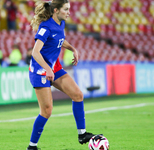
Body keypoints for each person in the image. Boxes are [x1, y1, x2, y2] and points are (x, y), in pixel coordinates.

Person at [27, 1, 98, 150]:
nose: (69, 12)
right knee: (46, 111)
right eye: (66, 9)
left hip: (54, 67)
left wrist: (73, 49)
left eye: (69, 9)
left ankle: (82, 134)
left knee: (78, 95)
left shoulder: (61, 24)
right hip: (40, 70)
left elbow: (59, 39)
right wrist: (48, 69)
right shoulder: (45, 27)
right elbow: (35, 52)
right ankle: (32, 147)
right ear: (56, 10)